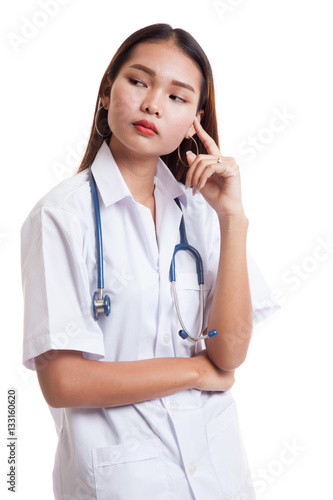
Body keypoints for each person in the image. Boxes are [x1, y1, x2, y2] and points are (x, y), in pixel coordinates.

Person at [21, 23, 279, 500]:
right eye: (139, 82)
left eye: (178, 97)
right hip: (123, 481)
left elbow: (229, 353)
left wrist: (232, 219)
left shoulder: (200, 213)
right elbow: (63, 381)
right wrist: (195, 372)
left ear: (195, 122)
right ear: (106, 92)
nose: (153, 104)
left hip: (219, 476)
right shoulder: (61, 215)